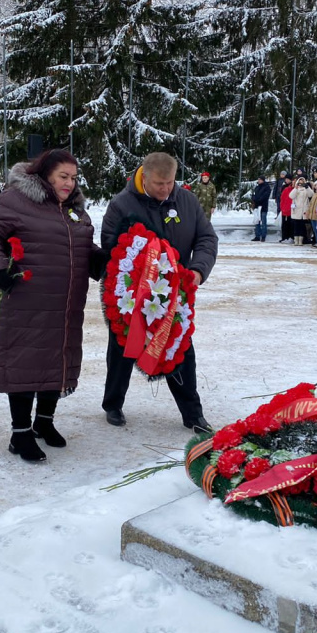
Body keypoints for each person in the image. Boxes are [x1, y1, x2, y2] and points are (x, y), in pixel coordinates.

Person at [0, 149, 104, 462]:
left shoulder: (74, 209)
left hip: (65, 304)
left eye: (73, 177)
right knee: (24, 362)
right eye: (63, 176)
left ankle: (44, 422)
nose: (70, 183)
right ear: (45, 174)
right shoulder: (16, 200)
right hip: (24, 299)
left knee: (54, 360)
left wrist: (107, 263)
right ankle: (20, 434)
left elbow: (84, 247)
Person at [101, 152, 219, 432]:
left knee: (180, 349)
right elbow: (111, 247)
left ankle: (192, 414)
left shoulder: (187, 201)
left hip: (176, 295)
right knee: (122, 349)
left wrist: (198, 271)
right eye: (158, 184)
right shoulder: (121, 204)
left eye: (170, 182)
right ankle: (113, 404)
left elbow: (206, 238)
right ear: (144, 175)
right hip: (133, 297)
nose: (165, 189)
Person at [290, 176, 314, 245]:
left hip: (304, 209)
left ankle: (301, 240)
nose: (301, 183)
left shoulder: (306, 189)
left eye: (302, 182)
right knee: (296, 225)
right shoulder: (296, 189)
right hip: (296, 209)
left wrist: (307, 187)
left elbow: (311, 195)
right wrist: (295, 188)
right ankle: (296, 240)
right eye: (299, 182)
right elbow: (291, 196)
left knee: (302, 226)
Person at [251, 175, 271, 242]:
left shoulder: (267, 187)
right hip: (257, 207)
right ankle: (257, 235)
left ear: (263, 180)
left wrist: (258, 200)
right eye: (258, 179)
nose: (258, 180)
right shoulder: (257, 187)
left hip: (263, 206)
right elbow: (253, 195)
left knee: (263, 222)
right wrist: (254, 199)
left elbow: (265, 196)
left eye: (260, 179)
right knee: (257, 221)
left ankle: (263, 236)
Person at [278, 174, 294, 242]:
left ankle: (290, 237)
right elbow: (282, 198)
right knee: (284, 224)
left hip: (290, 207)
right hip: (284, 207)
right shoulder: (284, 187)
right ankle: (284, 237)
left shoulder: (292, 187)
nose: (287, 180)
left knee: (290, 224)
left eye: (288, 179)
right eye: (286, 179)